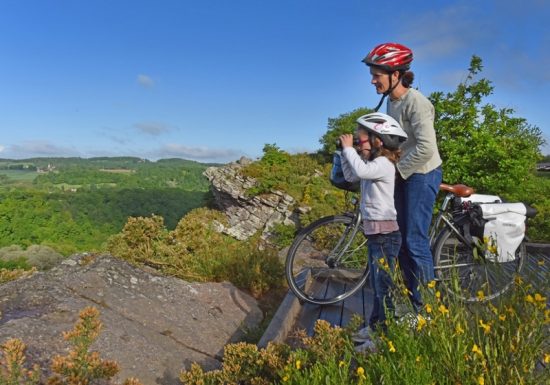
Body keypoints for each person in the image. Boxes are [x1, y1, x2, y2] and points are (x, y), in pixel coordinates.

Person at [362, 42, 443, 313]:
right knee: (401, 241)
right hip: (405, 172)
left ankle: (428, 312)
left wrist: (393, 171)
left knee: (414, 241)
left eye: (377, 75)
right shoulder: (392, 103)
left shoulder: (416, 103)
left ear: (395, 74)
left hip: (422, 173)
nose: (373, 80)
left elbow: (426, 148)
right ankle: (413, 303)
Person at [339, 112, 408, 341]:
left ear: (379, 140)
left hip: (385, 235)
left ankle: (382, 338)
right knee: (377, 287)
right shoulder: (372, 163)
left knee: (384, 288)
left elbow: (361, 171)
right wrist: (343, 152)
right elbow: (351, 176)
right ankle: (375, 326)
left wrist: (350, 150)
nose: (358, 141)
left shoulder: (384, 164)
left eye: (361, 137)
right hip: (375, 234)